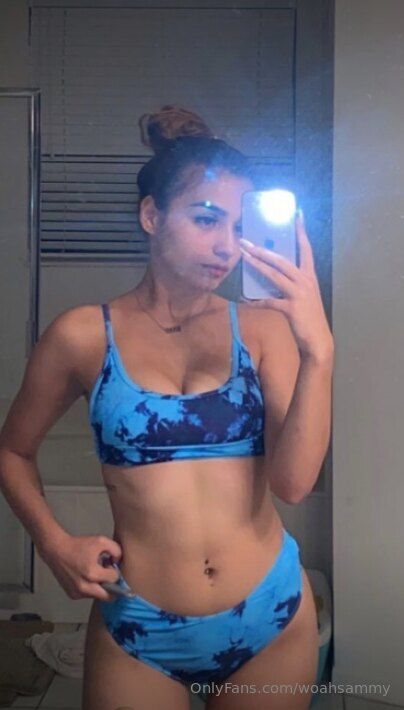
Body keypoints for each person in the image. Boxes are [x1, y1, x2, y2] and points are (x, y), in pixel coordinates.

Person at [0, 105, 334, 710]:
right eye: (207, 220)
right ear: (151, 216)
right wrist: (53, 543)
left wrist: (319, 352)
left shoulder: (262, 330)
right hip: (139, 626)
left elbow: (292, 484)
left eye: (238, 227)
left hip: (271, 615)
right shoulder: (82, 336)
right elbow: (13, 451)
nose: (227, 246)